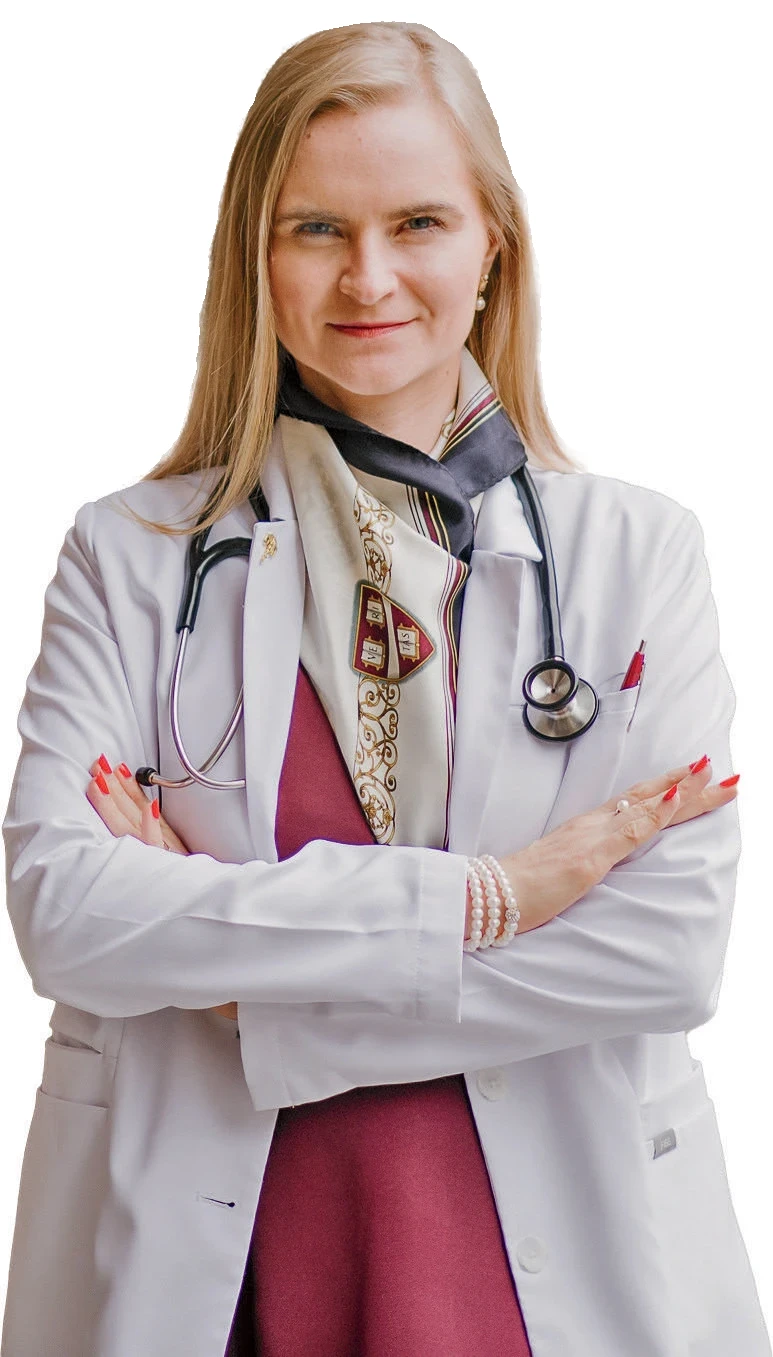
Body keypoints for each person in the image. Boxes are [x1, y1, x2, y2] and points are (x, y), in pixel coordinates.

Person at [2, 19, 769, 1357]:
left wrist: (249, 991)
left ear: (492, 249)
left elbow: (665, 951)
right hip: (223, 1276)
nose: (369, 278)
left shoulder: (636, 556)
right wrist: (490, 902)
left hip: (547, 1274)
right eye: (315, 230)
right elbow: (67, 914)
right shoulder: (134, 556)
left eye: (417, 221)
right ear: (259, 252)